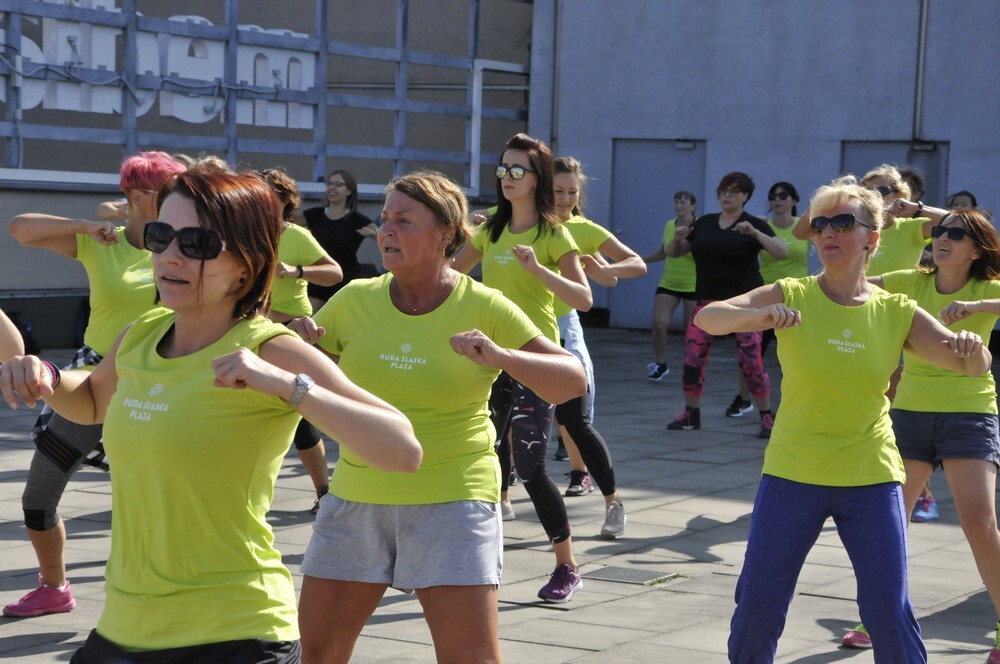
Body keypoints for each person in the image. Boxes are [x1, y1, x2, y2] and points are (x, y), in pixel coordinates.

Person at [0, 166, 422, 661]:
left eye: (197, 243)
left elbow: (402, 450)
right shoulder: (143, 332)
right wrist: (47, 376)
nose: (170, 256)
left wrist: (286, 386)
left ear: (246, 264)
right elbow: (93, 399)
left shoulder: (270, 348)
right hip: (125, 624)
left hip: (234, 633)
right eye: (161, 237)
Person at [291, 170, 585, 662]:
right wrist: (302, 344)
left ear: (446, 234)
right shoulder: (355, 299)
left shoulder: (484, 305)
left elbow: (571, 379)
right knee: (317, 654)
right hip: (357, 497)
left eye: (404, 221)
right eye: (386, 219)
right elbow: (313, 373)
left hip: (453, 501)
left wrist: (502, 356)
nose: (387, 231)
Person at [695, 175, 991, 663]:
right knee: (759, 603)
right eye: (820, 225)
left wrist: (973, 348)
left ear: (872, 238)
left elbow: (969, 365)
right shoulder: (792, 293)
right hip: (793, 472)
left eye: (842, 223)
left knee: (887, 610)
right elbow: (709, 317)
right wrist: (760, 317)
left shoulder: (896, 309)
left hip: (869, 476)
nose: (827, 232)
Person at [4, 151, 186, 618]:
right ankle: (54, 587)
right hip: (92, 381)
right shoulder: (104, 244)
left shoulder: (189, 248)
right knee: (38, 496)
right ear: (139, 196)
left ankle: (166, 596)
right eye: (171, 190)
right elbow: (21, 228)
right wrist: (86, 226)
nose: (182, 199)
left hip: (164, 383)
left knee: (155, 501)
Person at [839, 208, 1000, 656]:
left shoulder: (987, 288)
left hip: (969, 414)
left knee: (979, 523)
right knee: (891, 521)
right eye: (940, 231)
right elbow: (852, 286)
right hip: (909, 413)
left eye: (956, 234)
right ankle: (879, 616)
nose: (942, 238)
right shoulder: (911, 281)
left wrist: (977, 307)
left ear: (977, 250)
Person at [452, 132, 593, 603]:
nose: (507, 178)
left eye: (517, 170)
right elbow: (450, 274)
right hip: (489, 362)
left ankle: (567, 566)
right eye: (502, 169)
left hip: (536, 362)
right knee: (480, 458)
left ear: (537, 179)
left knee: (531, 468)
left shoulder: (554, 234)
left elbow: (584, 299)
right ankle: (466, 559)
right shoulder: (490, 229)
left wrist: (538, 270)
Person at [550, 156, 646, 538]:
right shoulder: (519, 222)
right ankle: (501, 497)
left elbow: (634, 265)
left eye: (572, 192)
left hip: (562, 326)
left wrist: (606, 271)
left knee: (573, 418)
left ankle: (609, 498)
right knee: (505, 419)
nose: (565, 199)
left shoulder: (583, 229)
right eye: (558, 191)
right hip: (516, 327)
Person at [664, 171, 787, 438]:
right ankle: (691, 414)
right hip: (708, 303)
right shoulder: (705, 223)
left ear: (745, 196)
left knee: (751, 362)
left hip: (746, 306)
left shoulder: (753, 224)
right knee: (692, 359)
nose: (727, 196)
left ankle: (767, 417)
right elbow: (674, 253)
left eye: (733, 191)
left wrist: (755, 233)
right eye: (723, 191)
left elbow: (781, 251)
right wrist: (677, 238)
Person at [260, 167, 343, 512]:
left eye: (270, 194)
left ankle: (324, 492)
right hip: (251, 329)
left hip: (292, 330)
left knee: (301, 419)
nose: (263, 201)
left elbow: (334, 272)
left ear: (285, 201)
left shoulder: (296, 236)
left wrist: (297, 271)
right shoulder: (244, 233)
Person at [730, 182, 809, 412]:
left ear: (794, 200)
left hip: (797, 298)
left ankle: (803, 400)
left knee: (801, 354)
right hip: (766, 296)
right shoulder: (762, 226)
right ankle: (743, 398)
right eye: (773, 196)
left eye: (783, 196)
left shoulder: (803, 227)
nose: (777, 200)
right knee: (751, 352)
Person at [295, 169, 379, 312]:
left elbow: (385, 237)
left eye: (338, 185)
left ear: (349, 191)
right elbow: (284, 224)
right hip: (318, 279)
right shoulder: (314, 215)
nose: (332, 188)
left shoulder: (357, 219)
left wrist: (372, 234)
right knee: (309, 320)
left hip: (344, 282)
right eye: (330, 184)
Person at [643, 191, 698, 381]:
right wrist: (642, 260)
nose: (679, 206)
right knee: (659, 323)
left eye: (683, 202)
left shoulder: (699, 226)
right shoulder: (669, 225)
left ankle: (692, 366)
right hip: (669, 282)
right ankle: (660, 364)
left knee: (691, 330)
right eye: (676, 202)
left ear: (693, 206)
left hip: (693, 284)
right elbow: (664, 251)